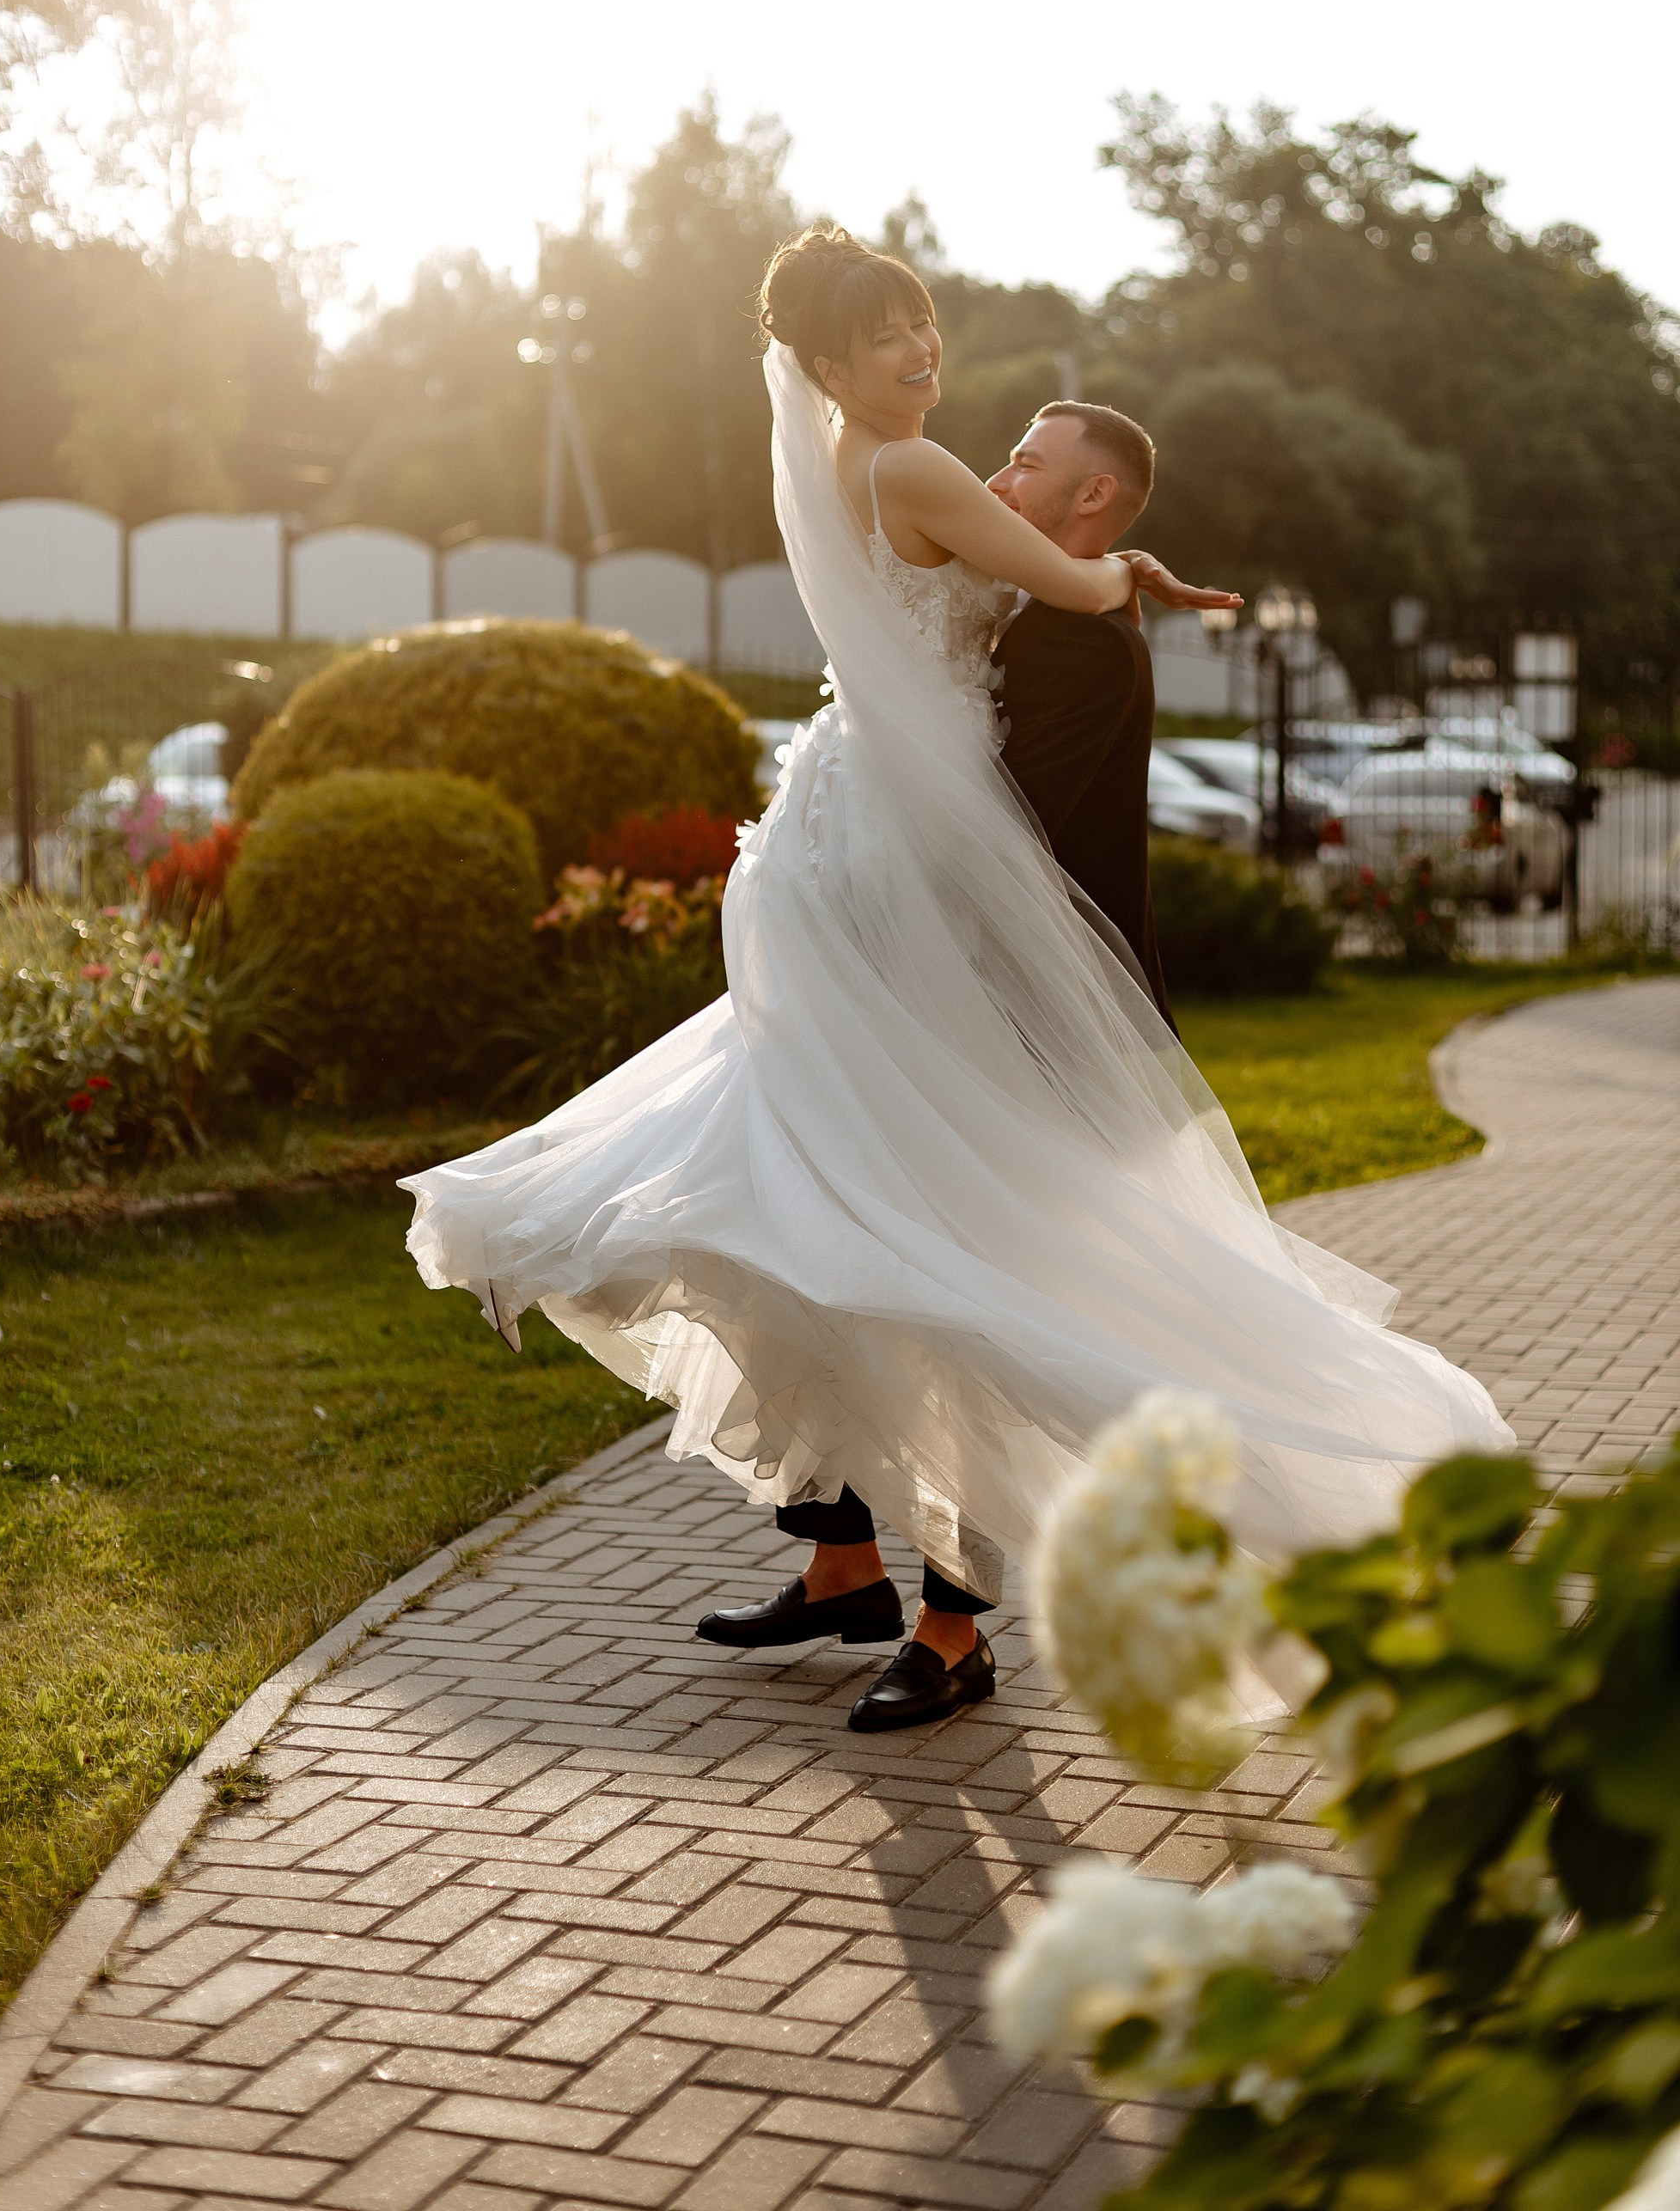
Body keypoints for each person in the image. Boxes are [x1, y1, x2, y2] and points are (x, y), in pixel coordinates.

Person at [402, 225, 1512, 1734]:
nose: (922, 355)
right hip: (888, 873)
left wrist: (1110, 573)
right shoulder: (910, 472)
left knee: (843, 1210)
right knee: (897, 1218)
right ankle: (902, 1588)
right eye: (887, 340)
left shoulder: (863, 470)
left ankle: (874, 1574)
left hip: (838, 849)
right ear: (828, 366)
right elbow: (1062, 575)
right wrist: (1128, 575)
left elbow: (1050, 577)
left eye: (926, 325)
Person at [990, 400, 1174, 1029]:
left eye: (1026, 465)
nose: (996, 482)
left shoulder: (1080, 642)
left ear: (1094, 493)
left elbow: (1010, 826)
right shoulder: (1048, 615)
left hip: (1045, 1010)